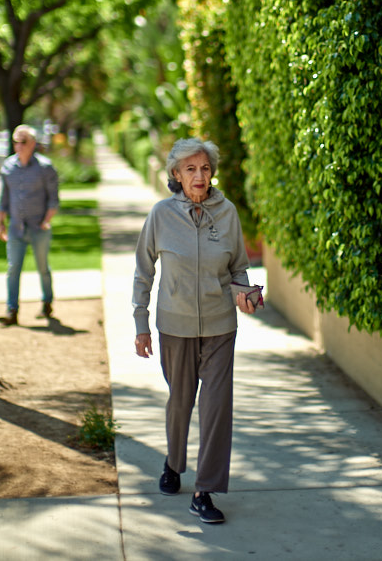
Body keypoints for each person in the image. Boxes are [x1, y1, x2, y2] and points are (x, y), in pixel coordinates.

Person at [133, 137, 256, 525]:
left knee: (217, 409)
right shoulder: (161, 215)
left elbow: (238, 268)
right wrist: (141, 324)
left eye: (204, 168)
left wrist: (245, 293)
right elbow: (143, 272)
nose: (199, 176)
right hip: (176, 326)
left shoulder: (227, 213)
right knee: (180, 402)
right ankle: (173, 462)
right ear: (176, 175)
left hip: (221, 326)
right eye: (190, 169)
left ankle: (205, 491)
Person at [0, 125, 59, 326]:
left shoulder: (45, 167)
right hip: (16, 228)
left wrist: (46, 221)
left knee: (43, 268)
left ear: (33, 144)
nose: (18, 146)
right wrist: (1, 223)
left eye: (23, 142)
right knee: (13, 268)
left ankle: (47, 302)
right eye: (15, 141)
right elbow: (3, 198)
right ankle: (11, 310)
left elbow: (53, 199)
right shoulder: (8, 167)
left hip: (38, 228)